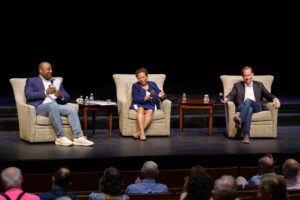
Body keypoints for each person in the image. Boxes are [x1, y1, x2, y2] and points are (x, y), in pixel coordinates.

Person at [25, 61, 93, 146]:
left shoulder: (55, 81)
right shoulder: (31, 81)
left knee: (71, 108)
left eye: (51, 69)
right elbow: (29, 96)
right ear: (40, 70)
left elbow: (67, 97)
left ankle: (78, 137)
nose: (51, 71)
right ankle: (60, 137)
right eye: (48, 69)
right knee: (52, 105)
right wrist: (46, 92)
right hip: (40, 107)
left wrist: (60, 95)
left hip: (55, 107)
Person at [221, 66, 281, 144]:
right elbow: (231, 95)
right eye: (245, 76)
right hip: (242, 107)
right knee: (249, 109)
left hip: (257, 107)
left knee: (248, 100)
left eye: (249, 75)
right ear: (242, 76)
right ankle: (246, 136)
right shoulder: (237, 85)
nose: (247, 77)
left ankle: (240, 118)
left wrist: (275, 99)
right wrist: (226, 99)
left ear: (252, 75)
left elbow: (268, 95)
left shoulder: (259, 85)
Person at [129, 67, 166, 141]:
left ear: (147, 76)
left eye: (143, 77)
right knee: (140, 109)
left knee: (150, 111)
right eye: (139, 78)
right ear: (137, 79)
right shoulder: (135, 86)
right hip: (139, 104)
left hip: (150, 104)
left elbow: (162, 94)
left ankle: (139, 133)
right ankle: (142, 133)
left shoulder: (152, 84)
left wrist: (162, 96)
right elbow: (136, 99)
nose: (142, 79)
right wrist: (148, 97)